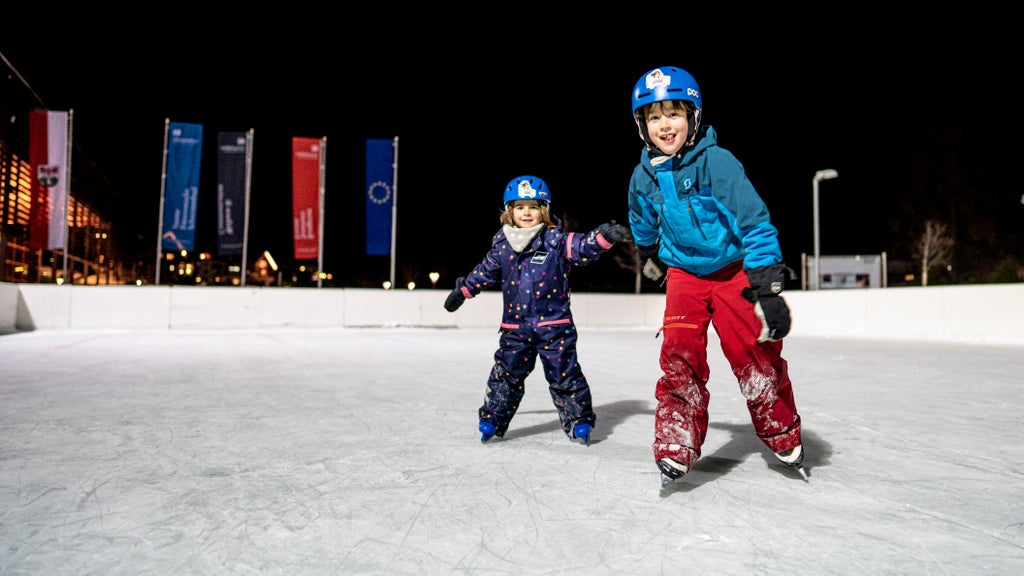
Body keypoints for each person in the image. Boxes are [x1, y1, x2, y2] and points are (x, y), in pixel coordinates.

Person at [626, 66, 805, 485]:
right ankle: (676, 440)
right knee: (679, 354)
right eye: (653, 116)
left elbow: (754, 221)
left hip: (731, 271)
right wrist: (647, 253)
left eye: (673, 113)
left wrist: (766, 285)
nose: (664, 125)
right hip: (684, 276)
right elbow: (642, 221)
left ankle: (780, 428)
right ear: (641, 126)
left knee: (752, 352)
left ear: (694, 117)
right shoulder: (643, 177)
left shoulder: (717, 163)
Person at [443, 175, 631, 445]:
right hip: (515, 329)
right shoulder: (502, 247)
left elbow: (583, 247)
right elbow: (482, 273)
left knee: (564, 375)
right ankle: (493, 418)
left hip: (555, 327)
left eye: (533, 206)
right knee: (506, 375)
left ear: (543, 210)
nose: (527, 213)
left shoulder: (555, 241)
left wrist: (602, 237)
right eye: (520, 207)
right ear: (510, 212)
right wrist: (463, 290)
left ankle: (578, 420)